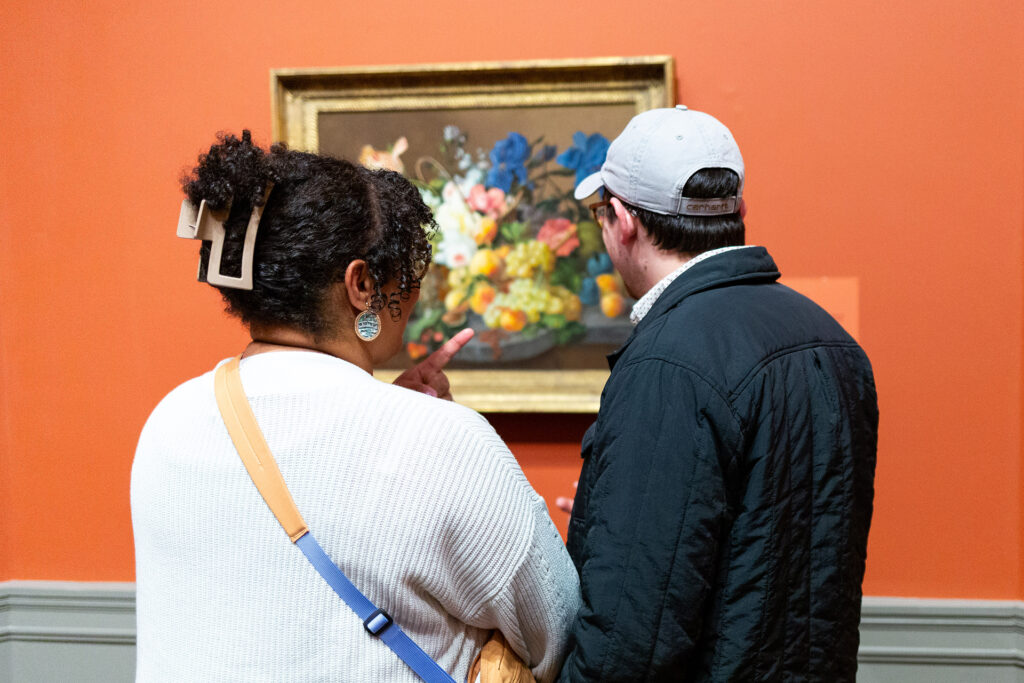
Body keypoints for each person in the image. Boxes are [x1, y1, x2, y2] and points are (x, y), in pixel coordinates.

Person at [131, 131, 579, 682]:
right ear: (362, 285)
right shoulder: (444, 444)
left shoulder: (169, 420)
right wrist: (415, 423)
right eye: (406, 277)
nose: (412, 297)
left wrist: (397, 412)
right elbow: (558, 630)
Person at [557, 107, 878, 682]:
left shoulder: (669, 362)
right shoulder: (832, 340)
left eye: (600, 215)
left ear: (623, 221)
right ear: (739, 211)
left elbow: (630, 645)